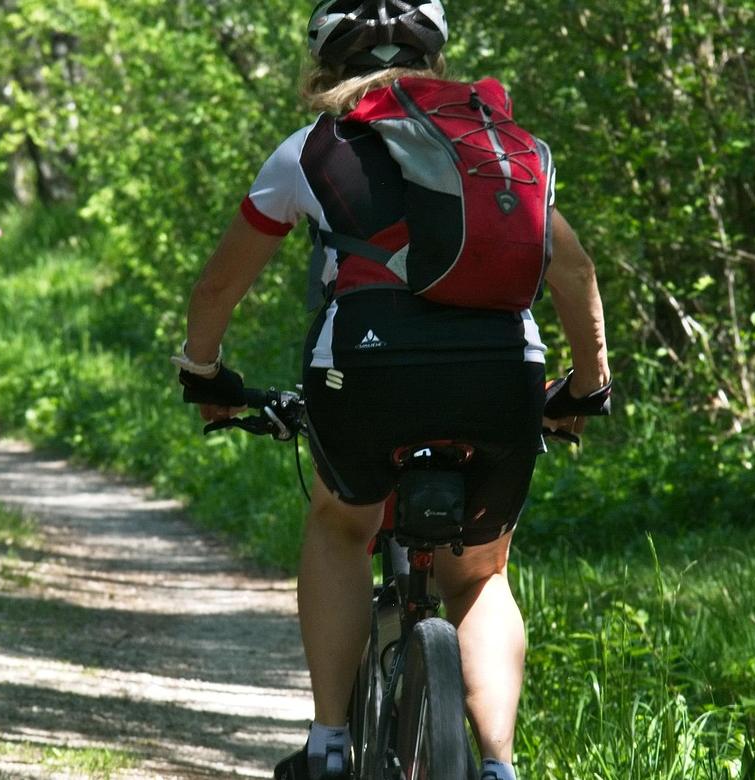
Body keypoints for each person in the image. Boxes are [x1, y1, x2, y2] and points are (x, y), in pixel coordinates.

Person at [174, 2, 611, 779]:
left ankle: (331, 745)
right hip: (504, 370)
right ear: (435, 58)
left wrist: (204, 374)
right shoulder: (499, 148)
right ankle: (500, 767)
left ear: (326, 62)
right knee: (478, 577)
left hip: (367, 371)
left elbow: (216, 290)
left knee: (342, 523)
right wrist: (584, 388)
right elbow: (574, 271)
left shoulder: (310, 149)